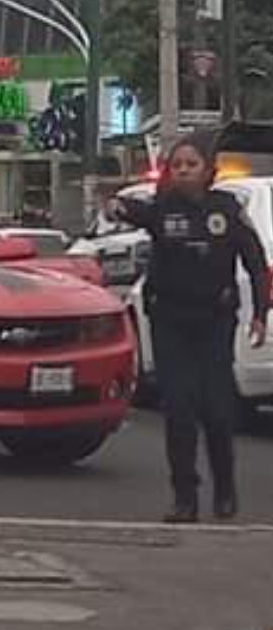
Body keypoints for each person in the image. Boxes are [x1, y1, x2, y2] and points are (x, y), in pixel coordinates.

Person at [107, 132, 268, 523]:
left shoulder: (227, 209)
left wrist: (260, 314)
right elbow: (126, 208)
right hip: (170, 322)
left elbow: (254, 260)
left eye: (191, 165)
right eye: (177, 165)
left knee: (216, 411)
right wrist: (113, 203)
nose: (184, 171)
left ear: (207, 170)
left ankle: (225, 490)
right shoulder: (161, 209)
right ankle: (184, 497)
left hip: (214, 322)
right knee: (179, 412)